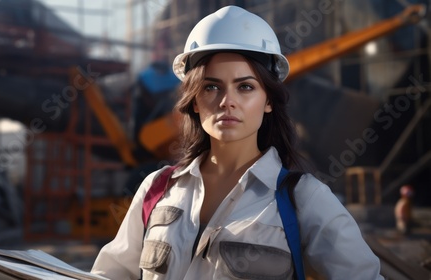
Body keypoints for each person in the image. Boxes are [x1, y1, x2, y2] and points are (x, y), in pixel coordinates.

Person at [91, 5, 383, 279]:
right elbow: (109, 274)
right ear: (194, 101)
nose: (227, 102)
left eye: (245, 87)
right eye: (211, 87)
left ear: (268, 100)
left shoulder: (303, 199)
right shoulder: (156, 189)